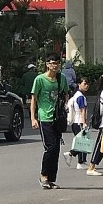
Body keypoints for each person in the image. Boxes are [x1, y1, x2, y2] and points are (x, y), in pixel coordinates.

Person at [30, 53, 69, 189]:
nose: (54, 65)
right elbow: (34, 99)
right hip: (44, 117)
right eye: (52, 63)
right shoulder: (40, 79)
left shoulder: (61, 78)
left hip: (57, 117)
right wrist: (33, 118)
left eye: (57, 63)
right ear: (47, 64)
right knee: (50, 147)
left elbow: (66, 93)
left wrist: (66, 106)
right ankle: (43, 176)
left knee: (56, 148)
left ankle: (51, 179)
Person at [63, 77, 90, 170]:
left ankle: (76, 158)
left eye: (87, 84)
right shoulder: (80, 96)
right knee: (82, 142)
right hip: (79, 121)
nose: (86, 86)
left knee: (82, 141)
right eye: (84, 83)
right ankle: (80, 161)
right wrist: (84, 122)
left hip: (77, 121)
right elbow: (82, 110)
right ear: (79, 84)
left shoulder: (76, 95)